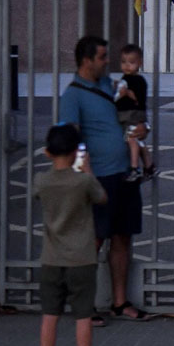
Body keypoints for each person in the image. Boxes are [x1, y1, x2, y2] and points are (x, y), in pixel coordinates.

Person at [59, 35, 153, 325]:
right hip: (98, 177)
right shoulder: (73, 95)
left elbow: (132, 119)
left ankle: (119, 302)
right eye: (102, 57)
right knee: (94, 240)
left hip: (124, 173)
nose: (107, 61)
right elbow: (69, 140)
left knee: (122, 237)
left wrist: (143, 130)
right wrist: (84, 178)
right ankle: (82, 306)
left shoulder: (112, 86)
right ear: (87, 60)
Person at [27, 124, 108, 346]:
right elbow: (101, 198)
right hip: (82, 258)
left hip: (52, 258)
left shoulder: (42, 181)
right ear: (76, 152)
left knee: (49, 315)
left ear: (48, 152)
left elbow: (38, 194)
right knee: (83, 316)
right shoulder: (83, 182)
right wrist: (88, 170)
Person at [115, 43, 154, 182]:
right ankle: (149, 166)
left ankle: (134, 168)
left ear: (140, 63)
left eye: (131, 62)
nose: (127, 66)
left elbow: (124, 97)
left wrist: (123, 93)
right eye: (123, 62)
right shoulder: (134, 79)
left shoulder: (131, 80)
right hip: (136, 114)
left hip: (131, 114)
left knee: (131, 139)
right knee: (139, 141)